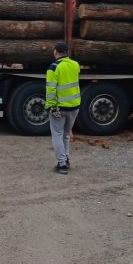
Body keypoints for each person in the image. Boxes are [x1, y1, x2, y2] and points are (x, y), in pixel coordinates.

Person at [45, 41, 81, 174]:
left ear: (55, 52)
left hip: (59, 107)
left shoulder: (53, 67)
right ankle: (66, 159)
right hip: (75, 106)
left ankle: (62, 164)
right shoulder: (75, 65)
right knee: (66, 134)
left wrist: (51, 107)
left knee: (57, 134)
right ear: (67, 53)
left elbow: (50, 90)